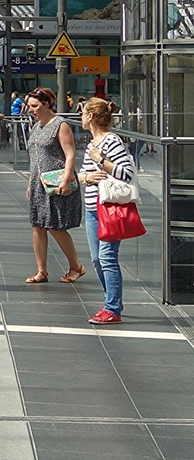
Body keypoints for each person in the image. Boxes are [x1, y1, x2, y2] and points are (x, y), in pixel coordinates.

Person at [78, 96, 137, 324]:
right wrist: (87, 176)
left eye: (83, 113)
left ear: (91, 116)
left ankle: (112, 308)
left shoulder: (111, 141)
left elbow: (126, 173)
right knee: (96, 259)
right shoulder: (91, 143)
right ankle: (112, 300)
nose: (81, 117)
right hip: (93, 208)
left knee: (107, 257)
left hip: (109, 208)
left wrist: (101, 160)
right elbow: (82, 174)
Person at [21, 87, 85, 285]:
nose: (30, 110)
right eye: (29, 106)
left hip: (56, 181)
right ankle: (41, 271)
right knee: (38, 225)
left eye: (34, 106)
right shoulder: (36, 126)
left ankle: (76, 266)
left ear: (46, 104)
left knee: (55, 226)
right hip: (39, 183)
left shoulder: (60, 125)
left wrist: (66, 180)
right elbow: (35, 157)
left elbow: (70, 154)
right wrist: (31, 183)